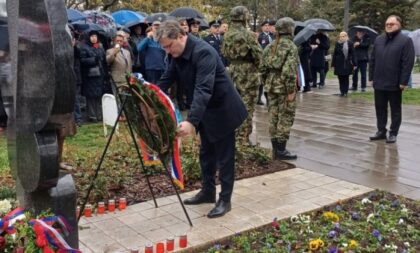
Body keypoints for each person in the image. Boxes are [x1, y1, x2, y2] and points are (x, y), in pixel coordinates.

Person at [156, 20, 248, 218]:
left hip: (223, 110)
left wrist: (191, 121)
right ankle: (207, 192)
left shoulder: (203, 52)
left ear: (181, 36)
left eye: (169, 46)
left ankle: (225, 199)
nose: (168, 51)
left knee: (224, 158)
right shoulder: (177, 54)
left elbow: (203, 88)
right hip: (206, 110)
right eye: (164, 48)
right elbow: (166, 79)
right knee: (206, 154)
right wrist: (149, 97)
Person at [369, 15, 415, 143]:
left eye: (392, 24)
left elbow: (408, 62)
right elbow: (372, 60)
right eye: (387, 24)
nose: (389, 25)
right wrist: (371, 77)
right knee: (380, 108)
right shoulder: (379, 40)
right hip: (379, 81)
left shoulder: (405, 41)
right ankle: (381, 131)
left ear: (399, 25)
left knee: (395, 109)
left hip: (395, 82)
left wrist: (403, 81)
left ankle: (393, 132)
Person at [221, 6, 262, 146]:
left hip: (232, 70)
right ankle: (243, 139)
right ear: (244, 17)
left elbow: (224, 53)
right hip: (248, 72)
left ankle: (233, 135)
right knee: (247, 105)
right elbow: (258, 54)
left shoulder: (227, 34)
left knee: (233, 104)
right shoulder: (248, 34)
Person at [260, 17, 298, 160]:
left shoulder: (270, 46)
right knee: (285, 117)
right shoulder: (290, 46)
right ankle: (281, 150)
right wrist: (290, 90)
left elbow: (262, 69)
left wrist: (267, 83)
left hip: (271, 86)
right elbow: (289, 71)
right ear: (289, 29)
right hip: (283, 87)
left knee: (273, 117)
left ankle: (275, 148)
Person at [79, 30, 107, 122]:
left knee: (99, 96)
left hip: (99, 75)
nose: (94, 38)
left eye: (95, 36)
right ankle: (92, 115)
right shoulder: (84, 47)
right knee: (91, 97)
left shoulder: (100, 46)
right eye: (92, 36)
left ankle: (99, 115)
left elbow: (103, 61)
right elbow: (82, 60)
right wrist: (93, 59)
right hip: (90, 76)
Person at [257, 19, 275, 105]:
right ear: (262, 27)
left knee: (269, 81)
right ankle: (259, 98)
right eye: (265, 26)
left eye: (268, 26)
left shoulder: (273, 36)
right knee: (261, 81)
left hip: (272, 61)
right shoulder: (260, 36)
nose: (267, 27)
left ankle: (269, 99)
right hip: (263, 61)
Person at [332, 31, 355, 97]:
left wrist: (354, 63)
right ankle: (342, 91)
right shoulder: (338, 43)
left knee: (345, 77)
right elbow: (335, 54)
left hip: (346, 63)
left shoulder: (350, 43)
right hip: (338, 63)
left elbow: (353, 54)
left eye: (343, 36)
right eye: (340, 36)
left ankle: (345, 92)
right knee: (340, 78)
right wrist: (333, 64)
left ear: (346, 36)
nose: (341, 37)